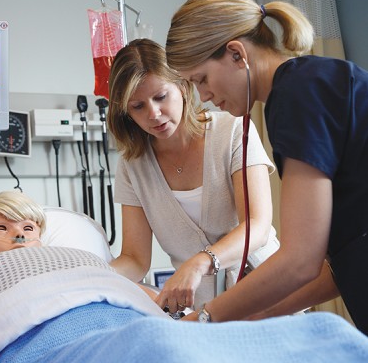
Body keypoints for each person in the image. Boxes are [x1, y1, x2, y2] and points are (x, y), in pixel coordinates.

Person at [0, 191, 368, 363]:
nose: (20, 234)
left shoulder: (87, 263)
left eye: (29, 225)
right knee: (158, 346)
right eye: (3, 226)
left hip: (137, 327)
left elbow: (163, 308)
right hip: (51, 346)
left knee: (329, 335)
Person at [165, 0, 368, 343]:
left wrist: (202, 322)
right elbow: (343, 258)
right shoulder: (309, 84)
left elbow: (300, 260)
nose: (202, 96)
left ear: (236, 53)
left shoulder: (298, 95)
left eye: (201, 79)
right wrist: (256, 315)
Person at [106, 38, 279, 312]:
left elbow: (256, 226)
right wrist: (94, 273)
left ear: (183, 88)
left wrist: (201, 261)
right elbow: (135, 258)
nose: (154, 114)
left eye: (161, 97)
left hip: (270, 290)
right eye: (138, 106)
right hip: (208, 313)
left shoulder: (233, 131)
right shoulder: (132, 166)